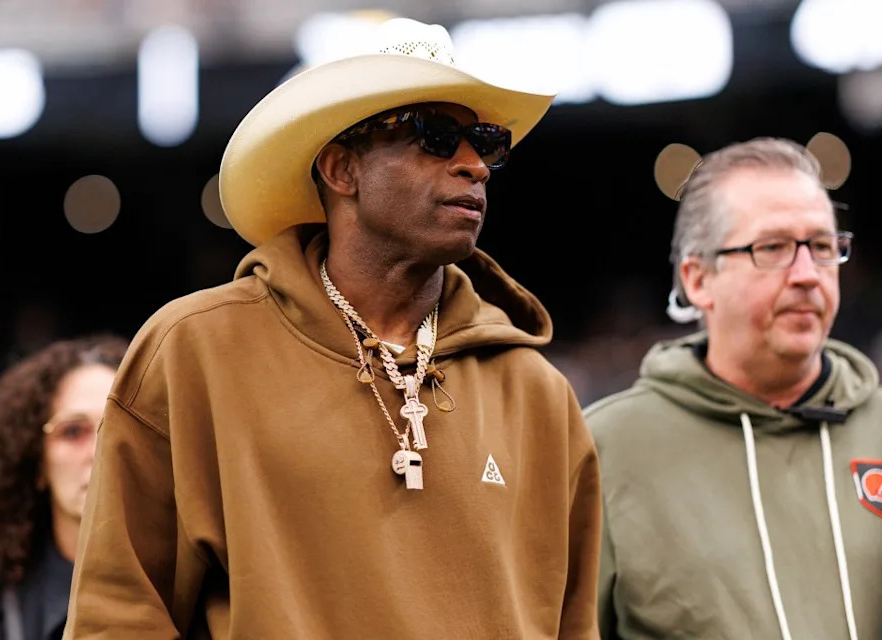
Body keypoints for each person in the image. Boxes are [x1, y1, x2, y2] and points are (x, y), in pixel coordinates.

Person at [64, 17, 601, 640]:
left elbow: (574, 624)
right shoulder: (195, 351)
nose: (474, 166)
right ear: (342, 170)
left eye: (486, 143)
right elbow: (120, 611)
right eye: (436, 137)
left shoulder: (539, 393)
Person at [587, 138, 882, 639]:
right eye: (773, 248)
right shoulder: (603, 450)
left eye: (824, 247)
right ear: (697, 279)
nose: (808, 275)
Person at [0, 335, 127, 640]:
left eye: (117, 428)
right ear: (36, 463)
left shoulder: (196, 596)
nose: (98, 451)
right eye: (72, 431)